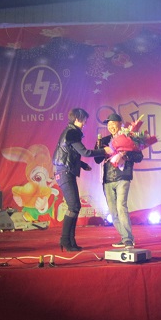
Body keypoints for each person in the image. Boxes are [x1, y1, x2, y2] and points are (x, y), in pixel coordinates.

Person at [52, 108, 113, 252]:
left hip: (66, 171)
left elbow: (68, 154)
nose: (85, 122)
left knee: (75, 207)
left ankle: (71, 241)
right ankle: (65, 240)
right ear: (77, 119)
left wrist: (83, 165)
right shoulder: (72, 133)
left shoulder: (70, 132)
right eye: (83, 119)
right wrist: (104, 151)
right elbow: (85, 152)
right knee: (73, 206)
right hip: (64, 172)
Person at [95, 113, 143, 249]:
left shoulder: (129, 138)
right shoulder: (104, 140)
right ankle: (125, 237)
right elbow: (97, 160)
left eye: (113, 123)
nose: (110, 126)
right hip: (107, 179)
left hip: (123, 176)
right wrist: (101, 150)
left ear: (120, 124)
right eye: (108, 124)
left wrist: (125, 153)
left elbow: (139, 157)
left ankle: (128, 240)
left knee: (121, 207)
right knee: (113, 211)